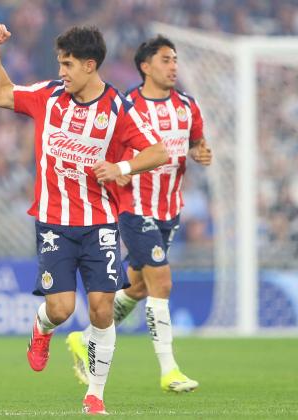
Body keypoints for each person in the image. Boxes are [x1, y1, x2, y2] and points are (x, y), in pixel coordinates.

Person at [0, 24, 168, 414]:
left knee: (102, 309)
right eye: (59, 63)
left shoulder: (117, 108)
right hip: (54, 222)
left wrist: (121, 166)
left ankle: (95, 395)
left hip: (99, 223)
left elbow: (158, 153)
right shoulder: (48, 96)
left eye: (67, 64)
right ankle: (41, 328)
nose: (61, 71)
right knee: (61, 310)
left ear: (89, 65)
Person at [67, 35, 213, 393]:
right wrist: (119, 170)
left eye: (175, 59)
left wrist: (200, 153)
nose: (173, 66)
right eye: (166, 60)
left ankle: (84, 339)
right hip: (135, 208)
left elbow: (196, 143)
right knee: (161, 283)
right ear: (145, 66)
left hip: (170, 210)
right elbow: (106, 150)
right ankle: (169, 370)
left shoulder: (188, 107)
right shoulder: (126, 106)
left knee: (137, 286)